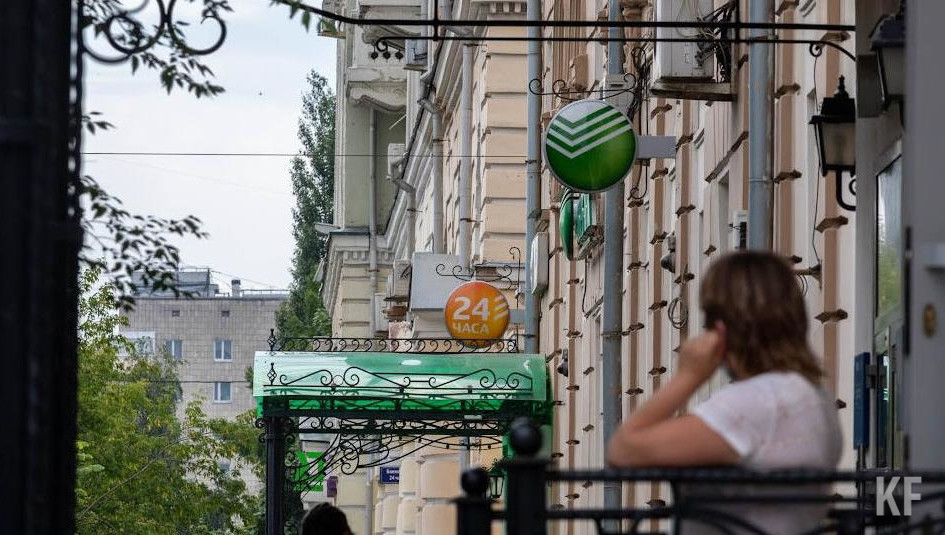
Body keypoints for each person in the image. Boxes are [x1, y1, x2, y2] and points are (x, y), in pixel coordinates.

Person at [606, 251, 843, 534]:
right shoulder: (814, 396)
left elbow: (623, 450)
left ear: (721, 329)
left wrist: (688, 377)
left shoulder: (760, 402)